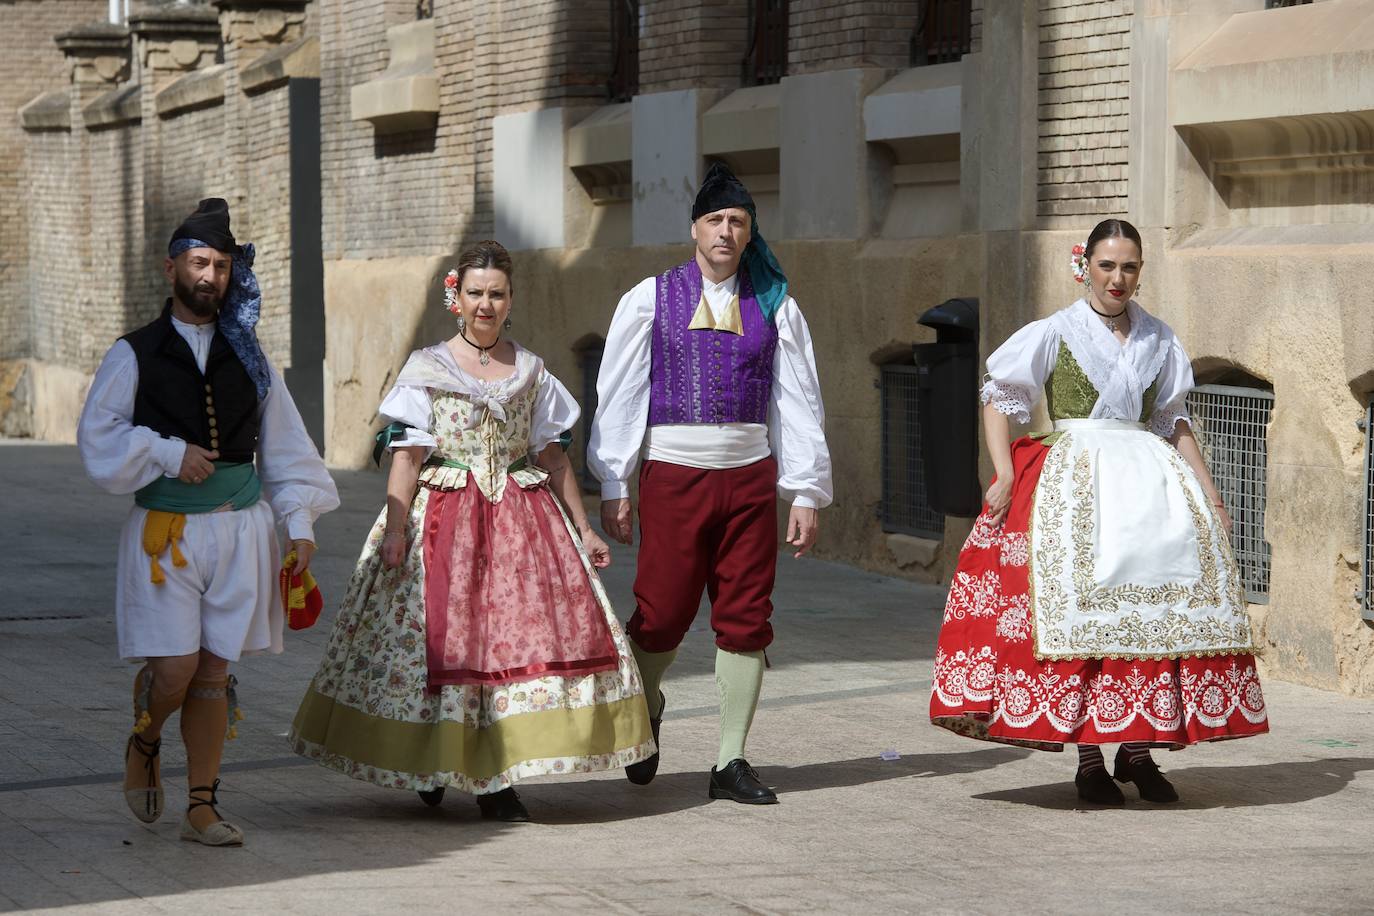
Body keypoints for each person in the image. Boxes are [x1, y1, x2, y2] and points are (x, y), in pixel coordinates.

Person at [290, 240, 654, 822]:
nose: (486, 304)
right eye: (476, 293)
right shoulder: (427, 368)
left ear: (511, 299)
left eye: (497, 294)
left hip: (520, 520)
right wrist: (395, 528)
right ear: (455, 298)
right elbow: (407, 458)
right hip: (442, 522)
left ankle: (496, 780)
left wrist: (584, 530)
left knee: (509, 647)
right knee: (439, 647)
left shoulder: (531, 369)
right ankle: (433, 760)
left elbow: (555, 458)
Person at [929, 218, 1268, 804]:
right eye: (1107, 265)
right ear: (1083, 266)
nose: (1118, 278)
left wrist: (1209, 495)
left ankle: (1136, 754)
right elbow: (997, 396)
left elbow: (1173, 420)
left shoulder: (1159, 338)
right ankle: (1089, 759)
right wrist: (1004, 471)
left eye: (1129, 266)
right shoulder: (1054, 332)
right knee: (1080, 611)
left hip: (1150, 486)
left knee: (1153, 615)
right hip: (1075, 479)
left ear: (1141, 272)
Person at [78, 198, 339, 846]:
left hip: (242, 530)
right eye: (199, 262)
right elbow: (98, 438)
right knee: (176, 670)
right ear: (171, 269)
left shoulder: (250, 356)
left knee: (215, 672)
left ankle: (202, 804)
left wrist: (299, 522)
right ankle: (146, 737)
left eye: (221, 265)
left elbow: (284, 445)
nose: (211, 276)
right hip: (167, 534)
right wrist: (167, 452)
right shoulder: (134, 352)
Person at [589, 162, 832, 804]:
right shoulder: (652, 297)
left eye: (738, 223)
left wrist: (805, 488)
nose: (726, 232)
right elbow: (619, 392)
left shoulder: (775, 304)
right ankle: (647, 711)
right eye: (715, 220)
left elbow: (798, 399)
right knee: (663, 613)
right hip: (673, 475)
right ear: (694, 227)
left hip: (750, 478)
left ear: (750, 234)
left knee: (747, 618)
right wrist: (615, 478)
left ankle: (730, 761)